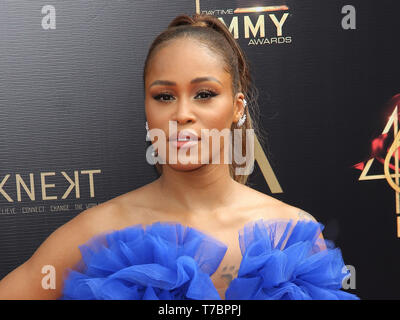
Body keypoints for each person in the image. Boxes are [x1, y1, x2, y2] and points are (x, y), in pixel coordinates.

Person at [0, 13, 359, 300]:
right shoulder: (100, 233)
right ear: (146, 109)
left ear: (237, 108)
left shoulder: (292, 236)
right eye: (164, 96)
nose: (182, 113)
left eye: (204, 94)